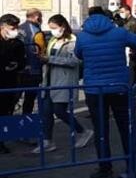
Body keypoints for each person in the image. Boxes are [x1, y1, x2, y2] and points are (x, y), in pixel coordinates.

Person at [75, 6, 136, 178]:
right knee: (125, 127)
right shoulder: (119, 32)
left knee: (101, 129)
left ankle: (105, 169)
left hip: (94, 89)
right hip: (118, 86)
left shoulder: (82, 36)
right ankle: (131, 163)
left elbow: (79, 54)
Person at [34, 15, 94, 154]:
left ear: (63, 26)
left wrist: (50, 59)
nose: (53, 31)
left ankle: (83, 131)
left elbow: (75, 61)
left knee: (59, 111)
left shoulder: (73, 41)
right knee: (46, 112)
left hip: (63, 80)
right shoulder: (53, 40)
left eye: (54, 28)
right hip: (48, 80)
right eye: (51, 28)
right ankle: (47, 141)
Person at [0, 14, 26, 154]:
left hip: (10, 82)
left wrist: (17, 65)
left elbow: (22, 60)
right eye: (12, 27)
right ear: (2, 26)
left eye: (16, 27)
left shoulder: (17, 42)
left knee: (6, 112)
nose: (15, 30)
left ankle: (2, 141)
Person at [18, 8, 46, 116]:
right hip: (33, 70)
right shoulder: (35, 30)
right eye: (40, 17)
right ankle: (26, 120)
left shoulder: (20, 28)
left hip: (21, 70)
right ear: (36, 16)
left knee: (16, 97)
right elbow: (39, 51)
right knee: (29, 99)